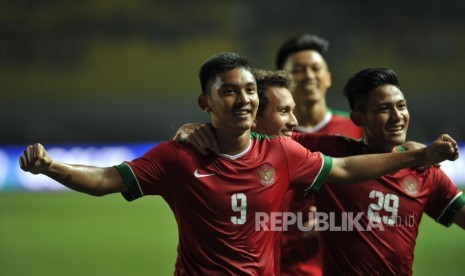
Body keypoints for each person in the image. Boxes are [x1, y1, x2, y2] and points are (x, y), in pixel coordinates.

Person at [19, 53, 459, 275]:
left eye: (249, 90)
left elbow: (344, 167)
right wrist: (51, 167)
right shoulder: (179, 157)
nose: (243, 98)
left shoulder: (284, 153)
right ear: (205, 102)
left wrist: (419, 155)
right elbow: (104, 179)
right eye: (229, 91)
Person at [175, 68, 464, 275]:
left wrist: (418, 156)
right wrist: (197, 127)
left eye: (401, 106)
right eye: (384, 109)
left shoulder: (426, 171)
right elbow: (264, 130)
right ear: (358, 118)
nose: (398, 116)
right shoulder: (332, 151)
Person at [276, 34, 362, 275]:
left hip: (345, 258)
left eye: (316, 68)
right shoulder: (267, 135)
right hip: (282, 261)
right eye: (299, 70)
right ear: (282, 81)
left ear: (328, 77)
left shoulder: (358, 131)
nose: (309, 76)